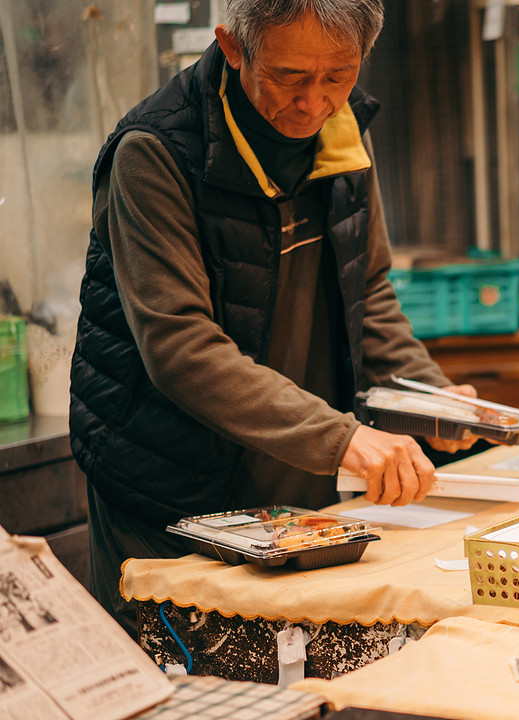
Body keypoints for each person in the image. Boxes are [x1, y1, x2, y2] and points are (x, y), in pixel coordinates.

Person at [69, 0, 477, 634]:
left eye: (338, 76)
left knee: (307, 685)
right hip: (171, 496)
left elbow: (364, 292)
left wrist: (434, 399)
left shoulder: (343, 134)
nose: (314, 103)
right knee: (189, 688)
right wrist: (342, 439)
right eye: (290, 77)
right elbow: (180, 344)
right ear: (233, 49)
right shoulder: (153, 154)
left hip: (299, 493)